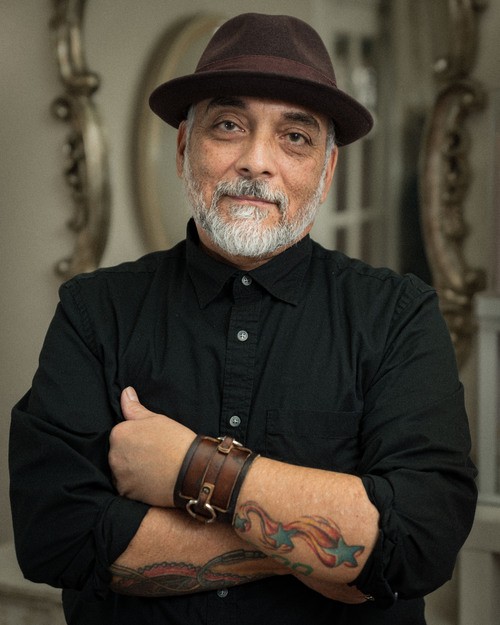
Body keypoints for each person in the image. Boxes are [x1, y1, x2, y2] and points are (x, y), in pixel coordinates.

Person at [9, 12, 477, 625]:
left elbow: (421, 540)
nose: (257, 161)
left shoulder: (399, 317)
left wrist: (190, 466)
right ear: (185, 147)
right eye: (229, 126)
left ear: (327, 171)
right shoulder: (94, 311)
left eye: (296, 136)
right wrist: (335, 552)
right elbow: (55, 537)